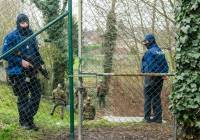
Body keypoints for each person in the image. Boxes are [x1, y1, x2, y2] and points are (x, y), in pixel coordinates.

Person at [2, 14, 48, 130]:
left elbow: (35, 52)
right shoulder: (11, 36)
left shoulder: (32, 35)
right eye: (22, 23)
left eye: (26, 22)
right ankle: (25, 123)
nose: (25, 25)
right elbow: (4, 54)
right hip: (17, 71)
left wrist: (40, 64)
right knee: (23, 97)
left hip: (32, 71)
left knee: (37, 95)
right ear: (18, 23)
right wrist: (20, 61)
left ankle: (28, 118)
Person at [141, 33, 169, 123]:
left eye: (146, 41)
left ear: (151, 41)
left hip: (150, 77)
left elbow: (148, 66)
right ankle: (158, 118)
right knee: (156, 97)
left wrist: (145, 72)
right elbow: (165, 65)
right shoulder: (160, 51)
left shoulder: (149, 52)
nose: (145, 43)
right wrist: (163, 74)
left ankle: (147, 118)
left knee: (148, 97)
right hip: (160, 78)